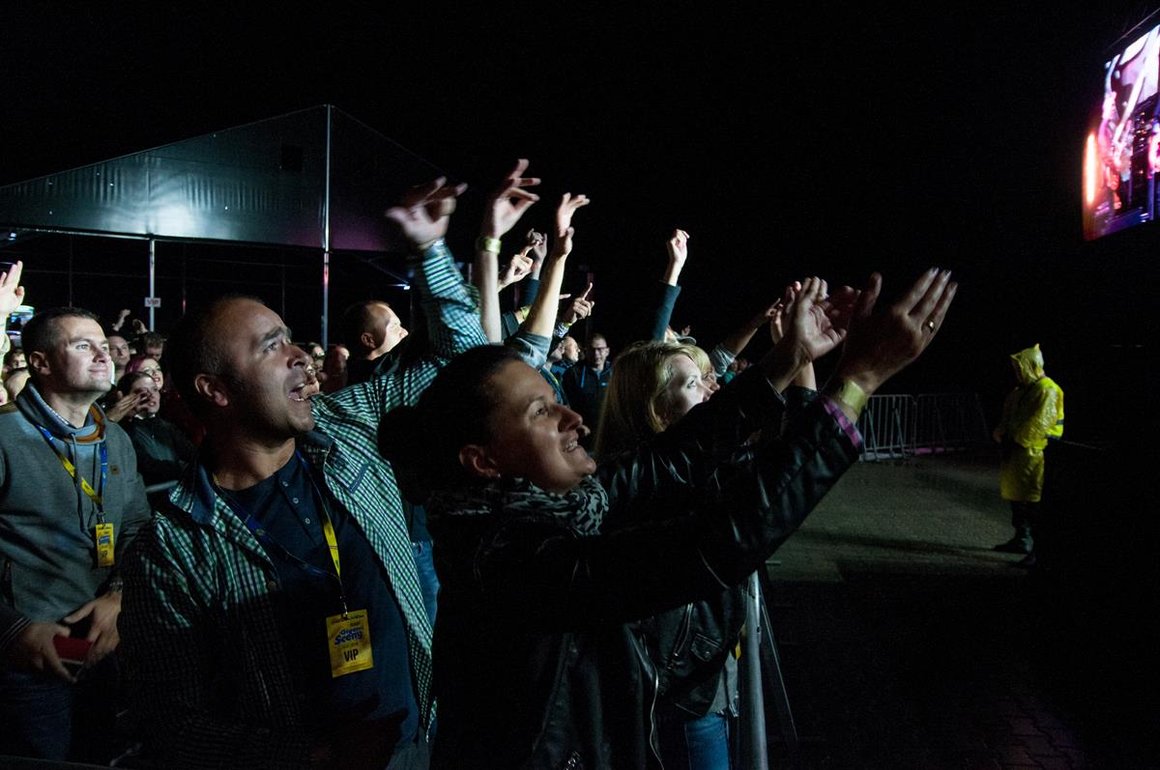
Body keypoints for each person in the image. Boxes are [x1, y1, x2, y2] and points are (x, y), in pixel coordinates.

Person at [379, 269, 957, 768]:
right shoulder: (509, 560)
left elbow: (674, 456)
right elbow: (714, 543)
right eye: (540, 411)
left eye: (555, 398)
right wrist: (855, 386)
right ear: (484, 461)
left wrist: (788, 359)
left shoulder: (563, 507)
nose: (573, 416)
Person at [117, 175, 506, 769]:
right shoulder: (172, 546)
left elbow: (466, 365)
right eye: (272, 346)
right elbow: (171, 720)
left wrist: (431, 252)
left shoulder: (346, 428)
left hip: (420, 739)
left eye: (292, 340)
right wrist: (312, 755)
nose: (300, 354)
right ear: (215, 390)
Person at [0, 277, 153, 762]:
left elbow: (136, 530)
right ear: (40, 363)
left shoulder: (115, 439)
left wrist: (120, 595)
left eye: (104, 345)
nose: (104, 354)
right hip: (27, 659)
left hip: (102, 652)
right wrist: (12, 630)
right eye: (83, 345)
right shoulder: (5, 437)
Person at [992, 343, 1065, 568]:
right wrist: (1001, 433)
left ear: (1030, 366)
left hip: (1036, 454)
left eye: (1019, 368)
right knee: (1018, 499)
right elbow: (1008, 417)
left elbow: (1039, 423)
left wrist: (1015, 439)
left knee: (1033, 502)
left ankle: (1036, 549)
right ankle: (1021, 539)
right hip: (1018, 453)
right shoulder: (1020, 391)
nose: (1016, 373)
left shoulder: (1047, 389)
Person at [115, 370, 196, 507]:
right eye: (141, 392)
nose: (151, 396)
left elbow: (192, 455)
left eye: (154, 389)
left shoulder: (168, 427)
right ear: (125, 398)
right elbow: (147, 467)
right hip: (147, 504)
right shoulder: (121, 431)